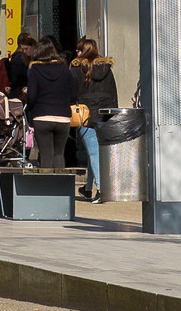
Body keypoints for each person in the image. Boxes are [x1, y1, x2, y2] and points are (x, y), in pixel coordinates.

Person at [71, 40, 119, 202]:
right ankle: (87, 188)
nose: (76, 53)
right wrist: (112, 113)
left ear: (83, 51)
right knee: (96, 151)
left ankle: (101, 189)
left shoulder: (77, 68)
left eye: (78, 50)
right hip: (105, 113)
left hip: (85, 114)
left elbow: (71, 92)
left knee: (93, 152)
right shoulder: (106, 69)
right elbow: (113, 92)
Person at [26, 39, 79, 171]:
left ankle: (47, 188)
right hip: (63, 117)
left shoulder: (35, 70)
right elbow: (74, 95)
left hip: (42, 117)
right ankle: (60, 187)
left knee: (46, 155)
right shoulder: (64, 69)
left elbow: (31, 97)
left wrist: (32, 111)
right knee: (59, 154)